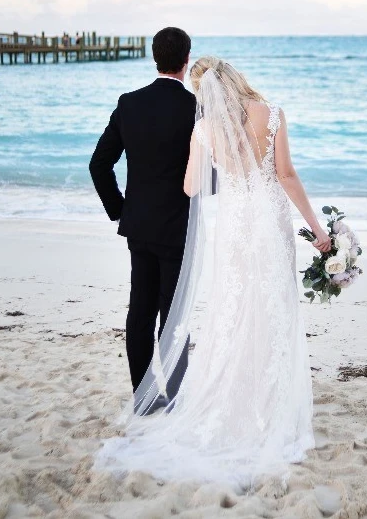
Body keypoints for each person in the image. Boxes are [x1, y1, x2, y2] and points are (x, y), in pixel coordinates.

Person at [94, 55, 332, 489]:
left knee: (234, 309)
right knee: (274, 307)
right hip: (269, 220)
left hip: (236, 226)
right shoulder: (272, 113)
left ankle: (233, 400)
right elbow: (287, 175)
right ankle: (271, 403)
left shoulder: (205, 129)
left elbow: (190, 186)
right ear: (236, 77)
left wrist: (222, 171)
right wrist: (316, 228)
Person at [90, 27, 196, 401]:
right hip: (176, 227)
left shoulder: (129, 103)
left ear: (155, 58)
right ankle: (176, 394)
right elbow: (204, 176)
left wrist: (119, 209)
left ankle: (142, 395)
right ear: (187, 60)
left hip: (138, 224)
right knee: (173, 314)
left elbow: (98, 165)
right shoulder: (194, 109)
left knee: (141, 309)